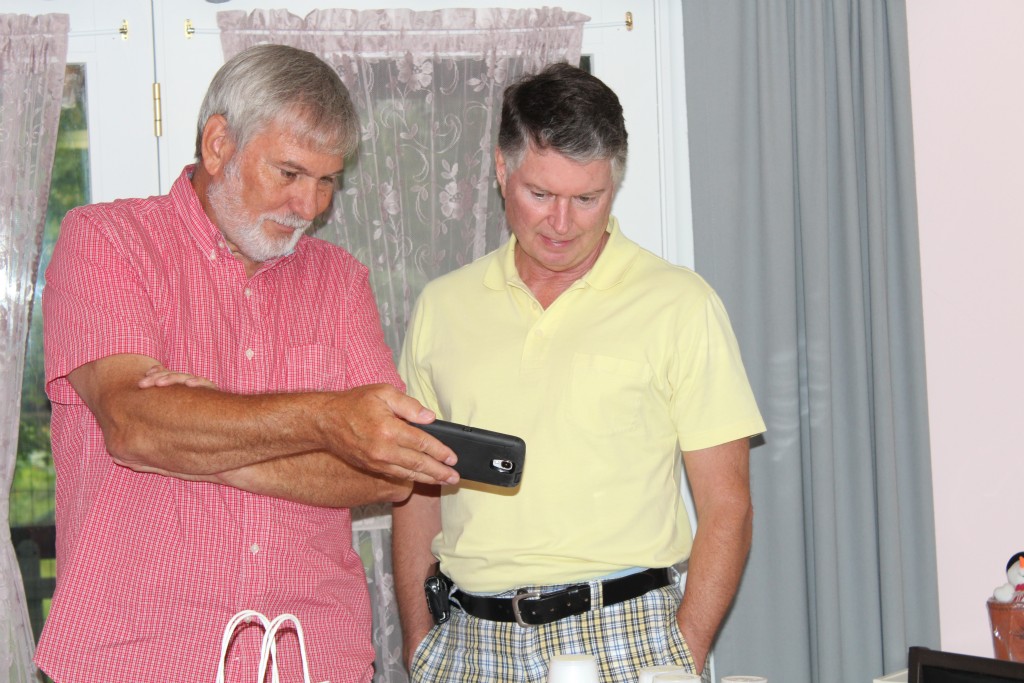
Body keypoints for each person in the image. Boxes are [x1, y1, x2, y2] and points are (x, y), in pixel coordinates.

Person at [35, 44, 459, 683]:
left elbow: (389, 474)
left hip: (310, 655)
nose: (310, 206)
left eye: (327, 180)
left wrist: (198, 441)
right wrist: (324, 421)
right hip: (136, 656)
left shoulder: (340, 280)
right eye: (290, 172)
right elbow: (135, 425)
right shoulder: (107, 241)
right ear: (218, 144)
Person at [392, 62, 766, 683]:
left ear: (613, 185)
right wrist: (419, 643)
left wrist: (684, 652)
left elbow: (729, 506)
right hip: (470, 645)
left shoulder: (681, 304)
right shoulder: (442, 307)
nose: (562, 224)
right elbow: (417, 488)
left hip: (629, 638)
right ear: (502, 170)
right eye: (541, 195)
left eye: (586, 199)